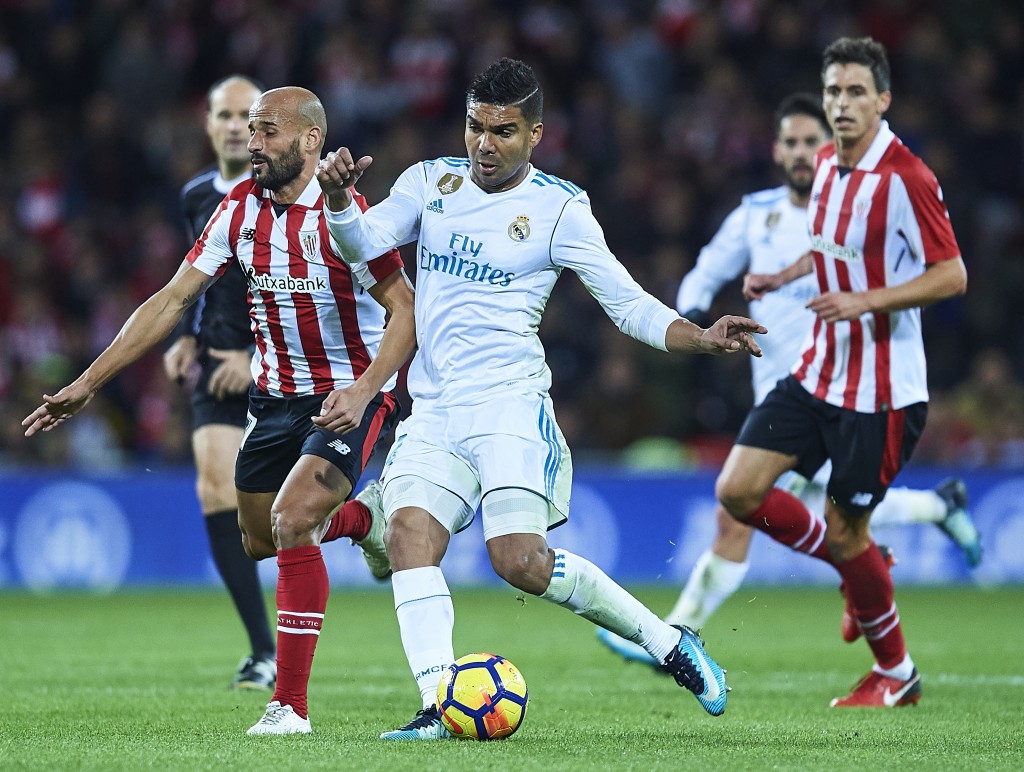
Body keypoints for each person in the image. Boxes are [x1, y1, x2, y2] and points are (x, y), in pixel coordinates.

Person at [316, 57, 767, 740]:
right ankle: (440, 706)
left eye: (502, 131)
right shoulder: (427, 183)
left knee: (518, 562)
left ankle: (670, 643)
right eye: (475, 128)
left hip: (509, 406)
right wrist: (342, 202)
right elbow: (363, 244)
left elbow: (625, 304)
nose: (483, 145)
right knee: (410, 538)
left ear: (535, 135)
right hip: (436, 409)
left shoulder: (560, 208)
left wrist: (702, 337)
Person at [23, 87, 417, 735]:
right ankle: (363, 521)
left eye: (266, 132)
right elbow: (172, 300)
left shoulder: (347, 217)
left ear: (310, 140)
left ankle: (288, 706)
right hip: (273, 399)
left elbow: (406, 310)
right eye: (250, 131)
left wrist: (370, 387)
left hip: (347, 398)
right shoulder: (237, 211)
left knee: (293, 521)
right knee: (260, 540)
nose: (252, 144)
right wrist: (89, 381)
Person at [596, 93, 982, 665]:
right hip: (784, 396)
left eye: (812, 141)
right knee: (791, 509)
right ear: (776, 151)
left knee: (780, 512)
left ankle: (672, 638)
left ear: (829, 145)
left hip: (845, 389)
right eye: (792, 142)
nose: (803, 153)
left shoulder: (854, 206)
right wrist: (696, 313)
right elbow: (705, 270)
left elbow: (927, 265)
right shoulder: (756, 214)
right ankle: (929, 515)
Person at [710, 37, 966, 708]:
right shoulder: (825, 162)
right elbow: (829, 248)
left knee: (846, 524)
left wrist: (866, 300)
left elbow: (952, 274)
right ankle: (860, 566)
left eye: (855, 92)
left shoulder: (908, 178)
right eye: (833, 92)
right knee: (737, 490)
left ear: (883, 100)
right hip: (818, 371)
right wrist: (783, 274)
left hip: (881, 396)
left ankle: (897, 672)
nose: (842, 104)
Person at [160, 74, 280, 691]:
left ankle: (366, 528)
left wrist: (257, 359)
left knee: (280, 517)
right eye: (225, 115)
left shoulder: (279, 194)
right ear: (208, 124)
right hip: (214, 364)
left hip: (281, 365)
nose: (235, 126)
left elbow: (294, 289)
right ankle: (264, 651)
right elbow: (201, 278)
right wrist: (186, 338)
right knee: (214, 487)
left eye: (246, 116)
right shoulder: (196, 197)